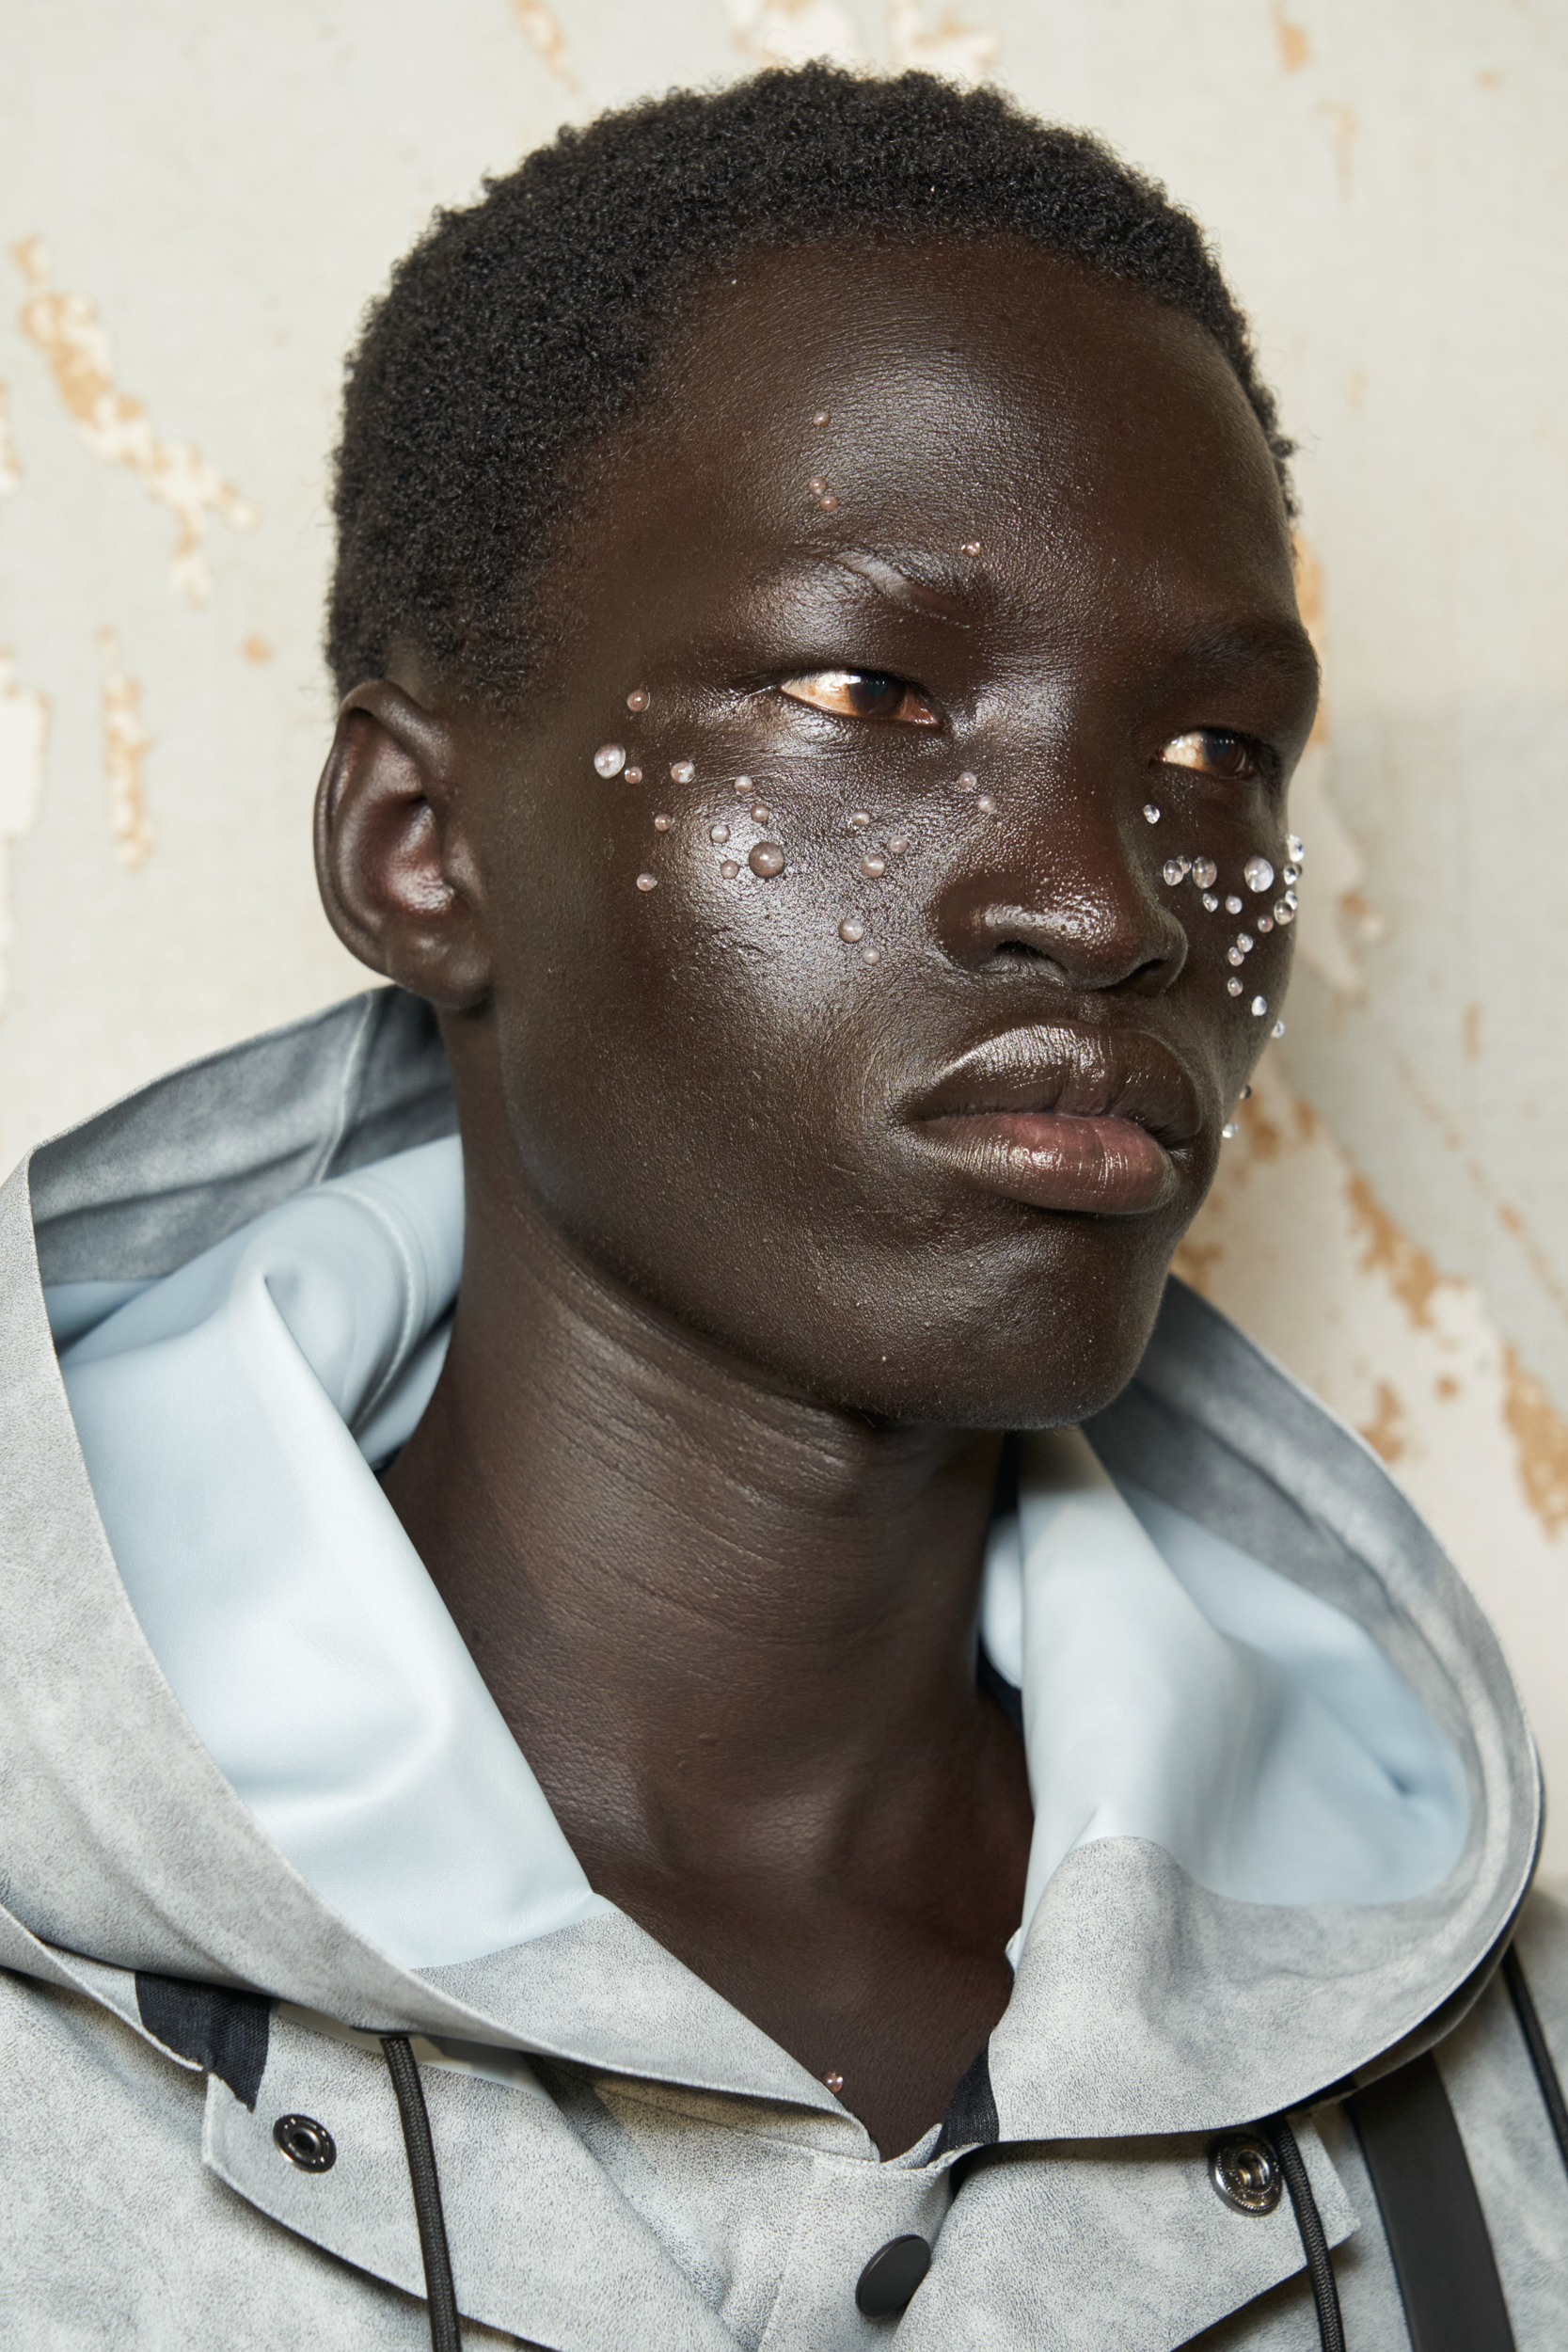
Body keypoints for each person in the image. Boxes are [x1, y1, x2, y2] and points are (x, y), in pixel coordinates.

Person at [1, 62, 1562, 2352]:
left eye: (1219, 751)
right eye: (876, 690)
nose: (1108, 895)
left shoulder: (1500, 2071)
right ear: (419, 851)